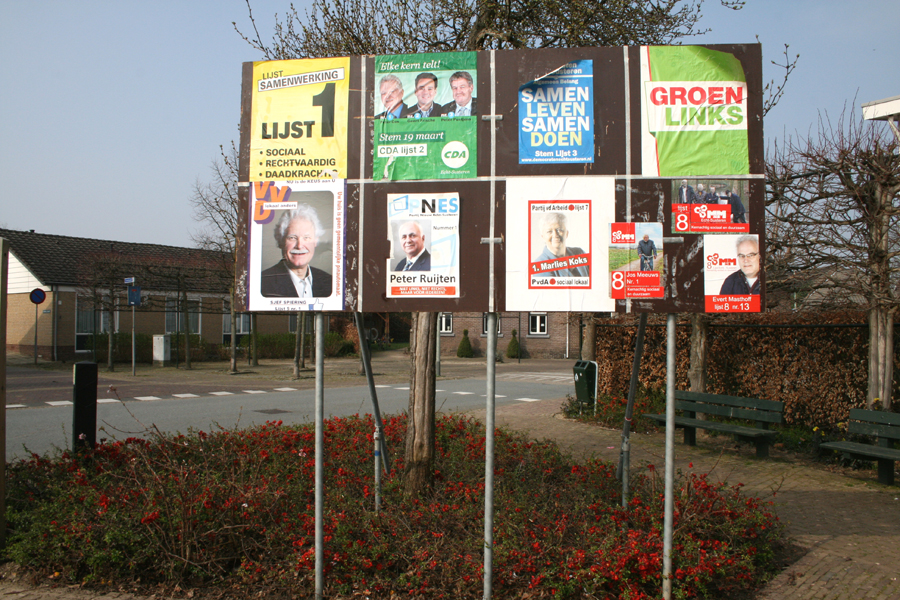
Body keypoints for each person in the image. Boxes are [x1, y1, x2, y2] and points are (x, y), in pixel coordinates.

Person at [261, 205, 333, 298]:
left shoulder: (330, 282)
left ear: (316, 241)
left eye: (306, 237)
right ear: (281, 241)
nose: (299, 246)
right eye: (292, 238)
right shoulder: (262, 283)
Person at [532, 212, 589, 277]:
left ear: (566, 233)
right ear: (543, 237)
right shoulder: (540, 266)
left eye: (559, 230)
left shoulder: (580, 253)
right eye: (549, 231)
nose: (555, 235)